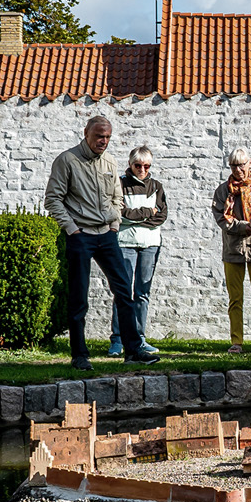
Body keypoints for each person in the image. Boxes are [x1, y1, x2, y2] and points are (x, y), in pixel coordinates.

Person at [44, 115, 158, 370]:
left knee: (124, 292)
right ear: (86, 133)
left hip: (107, 234)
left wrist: (115, 223)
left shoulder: (109, 162)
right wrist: (72, 229)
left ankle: (133, 350)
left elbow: (117, 197)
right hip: (81, 235)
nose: (103, 141)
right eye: (99, 136)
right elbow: (53, 199)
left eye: (107, 137)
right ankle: (80, 355)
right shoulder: (67, 160)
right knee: (79, 296)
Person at [107, 146, 168, 358]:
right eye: (138, 165)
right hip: (125, 243)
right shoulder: (120, 184)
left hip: (150, 244)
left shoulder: (156, 187)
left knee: (143, 293)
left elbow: (161, 215)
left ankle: (139, 338)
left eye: (147, 166)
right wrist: (146, 214)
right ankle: (117, 339)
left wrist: (136, 217)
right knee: (123, 292)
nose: (142, 169)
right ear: (131, 164)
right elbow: (119, 214)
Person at [214, 148, 251, 355]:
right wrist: (243, 226)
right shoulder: (223, 191)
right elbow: (222, 218)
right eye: (234, 165)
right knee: (235, 299)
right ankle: (236, 342)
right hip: (233, 249)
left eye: (242, 164)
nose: (238, 169)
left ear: (250, 163)